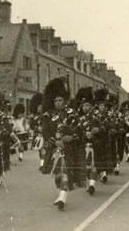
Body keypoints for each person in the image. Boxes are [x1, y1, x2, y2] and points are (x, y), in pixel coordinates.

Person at [41, 78, 76, 210]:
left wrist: (70, 137)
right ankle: (60, 193)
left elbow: (77, 129)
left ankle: (62, 198)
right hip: (54, 149)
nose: (57, 103)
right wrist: (54, 141)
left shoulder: (71, 114)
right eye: (55, 100)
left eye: (60, 100)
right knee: (57, 176)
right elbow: (45, 132)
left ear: (65, 100)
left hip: (69, 149)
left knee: (65, 173)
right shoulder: (48, 115)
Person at [29, 93, 44, 170]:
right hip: (37, 135)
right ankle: (42, 162)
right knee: (39, 150)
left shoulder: (45, 115)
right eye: (38, 107)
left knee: (43, 149)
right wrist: (37, 128)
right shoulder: (33, 117)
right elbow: (31, 126)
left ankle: (42, 164)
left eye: (41, 107)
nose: (39, 108)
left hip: (45, 135)